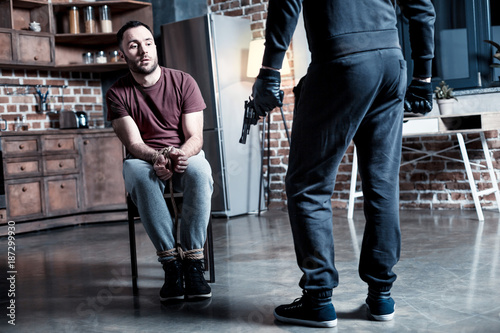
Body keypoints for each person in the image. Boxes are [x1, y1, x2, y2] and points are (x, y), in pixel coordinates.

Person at [252, 0, 435, 328]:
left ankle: (318, 299)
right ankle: (381, 296)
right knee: (381, 184)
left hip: (342, 60)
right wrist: (423, 76)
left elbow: (286, 3)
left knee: (307, 185)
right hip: (392, 63)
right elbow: (421, 6)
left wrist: (269, 71)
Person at [106, 21, 213, 302]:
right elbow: (133, 144)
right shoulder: (118, 93)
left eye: (148, 42)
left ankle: (192, 262)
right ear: (123, 55)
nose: (143, 50)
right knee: (137, 172)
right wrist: (157, 157)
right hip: (145, 159)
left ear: (155, 46)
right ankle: (171, 264)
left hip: (182, 154)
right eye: (133, 45)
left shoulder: (184, 81)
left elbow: (196, 138)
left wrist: (178, 155)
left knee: (201, 169)